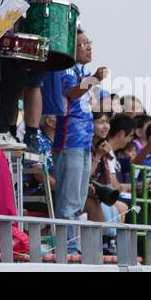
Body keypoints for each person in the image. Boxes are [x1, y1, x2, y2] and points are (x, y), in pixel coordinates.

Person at [45, 30, 106, 253]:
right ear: (71, 48)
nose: (88, 47)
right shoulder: (66, 68)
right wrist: (95, 80)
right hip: (69, 140)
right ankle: (66, 250)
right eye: (82, 44)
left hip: (83, 142)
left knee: (78, 202)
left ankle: (71, 246)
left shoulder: (84, 70)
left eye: (89, 42)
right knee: (68, 202)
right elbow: (71, 92)